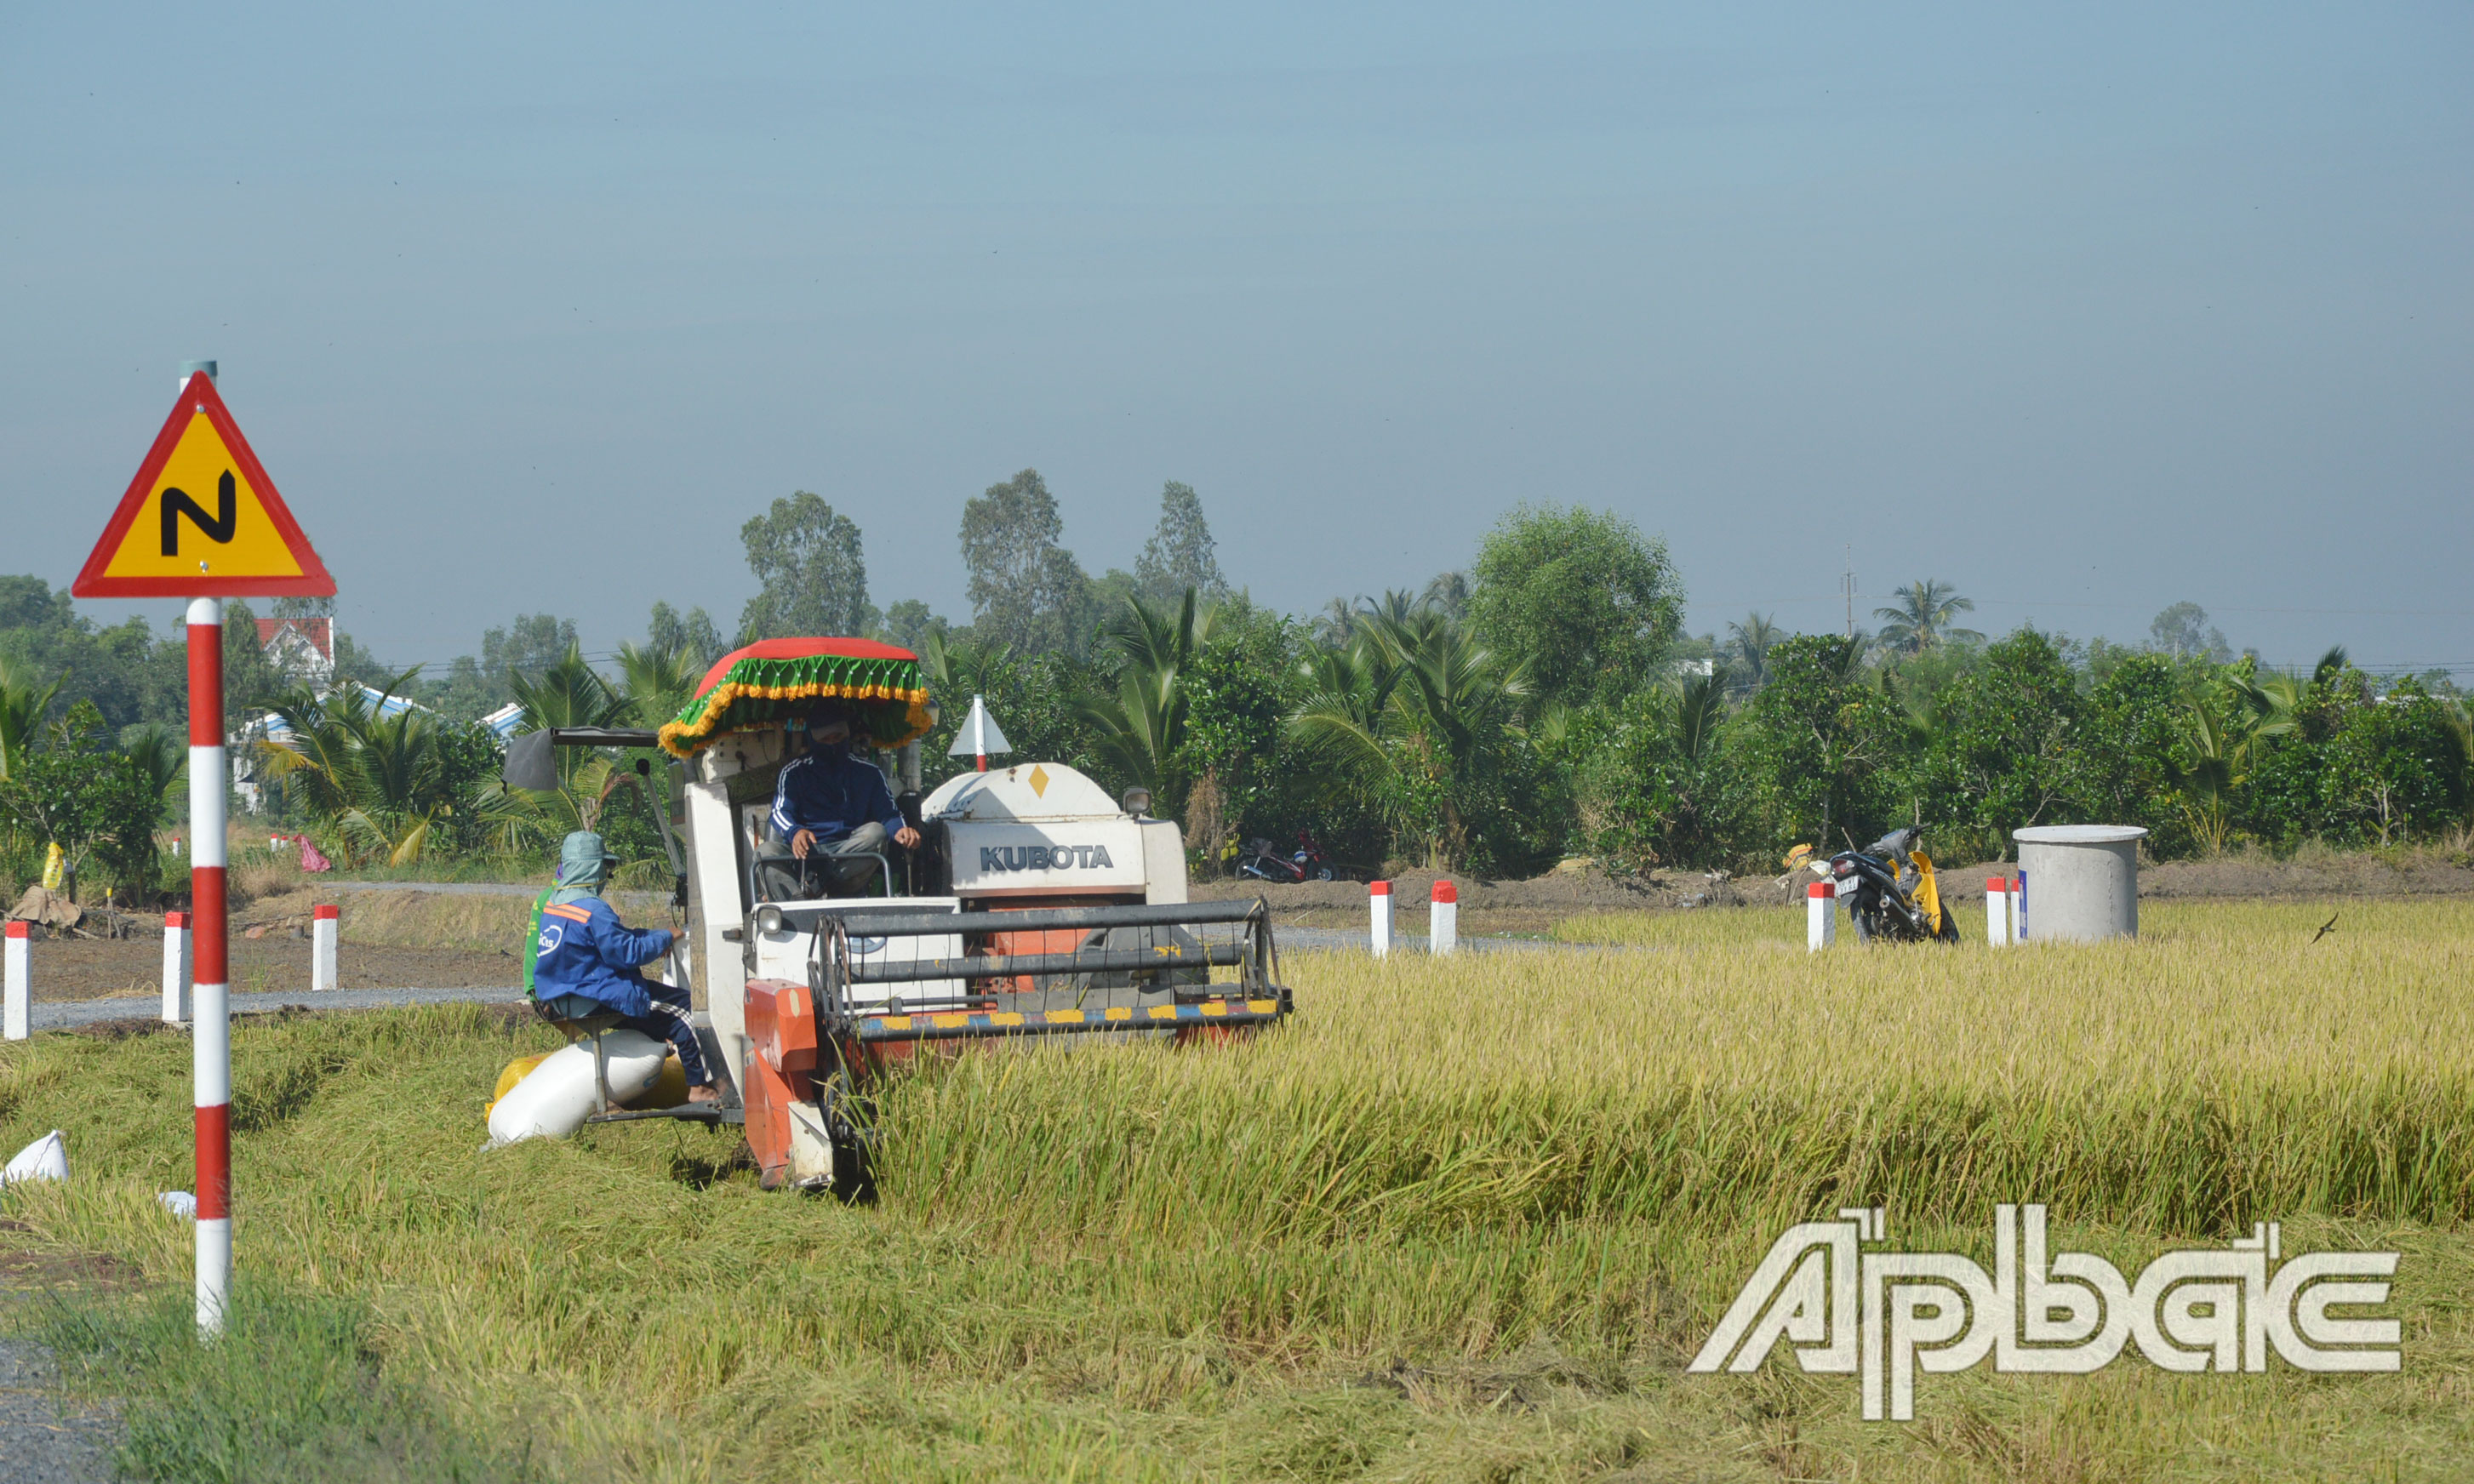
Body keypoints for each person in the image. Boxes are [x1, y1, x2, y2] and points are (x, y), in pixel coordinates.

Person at [531, 831, 719, 1105]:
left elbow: (612, 941)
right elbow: (629, 953)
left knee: (659, 1010)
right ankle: (699, 1087)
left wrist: (654, 936)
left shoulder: (555, 905)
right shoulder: (593, 909)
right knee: (687, 1010)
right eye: (605, 869)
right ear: (593, 868)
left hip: (563, 997)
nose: (606, 877)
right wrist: (667, 936)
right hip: (593, 997)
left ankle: (661, 1057)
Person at [761, 702, 921, 899]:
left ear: (847, 736)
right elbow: (779, 812)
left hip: (848, 854)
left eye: (837, 737)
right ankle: (795, 902)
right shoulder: (793, 773)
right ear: (812, 739)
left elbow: (888, 813)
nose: (832, 744)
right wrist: (795, 832)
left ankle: (820, 886)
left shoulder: (869, 772)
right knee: (764, 851)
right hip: (805, 854)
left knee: (876, 833)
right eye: (825, 739)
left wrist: (900, 830)